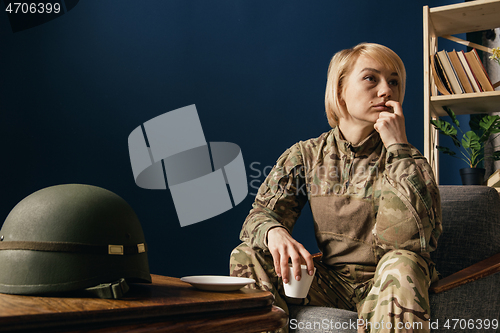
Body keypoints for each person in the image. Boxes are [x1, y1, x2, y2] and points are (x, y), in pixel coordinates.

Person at [230, 42, 442, 333]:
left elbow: (407, 243)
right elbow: (258, 215)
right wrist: (273, 231)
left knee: (401, 262)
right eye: (371, 78)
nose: (386, 90)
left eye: (394, 81)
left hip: (388, 280)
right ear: (340, 88)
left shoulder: (409, 159)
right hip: (330, 283)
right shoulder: (305, 155)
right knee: (247, 254)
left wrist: (397, 147)